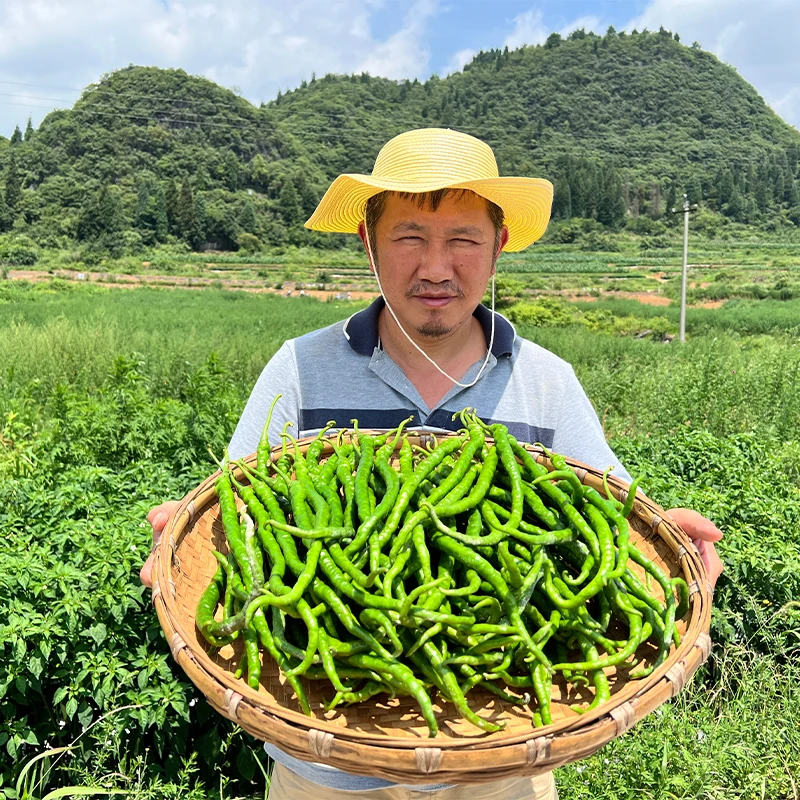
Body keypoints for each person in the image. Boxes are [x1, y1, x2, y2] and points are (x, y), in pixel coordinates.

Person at [141, 128, 723, 800]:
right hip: (324, 769)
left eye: (463, 240)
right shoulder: (299, 367)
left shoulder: (546, 380)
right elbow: (234, 516)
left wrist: (666, 544)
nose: (436, 268)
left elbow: (612, 524)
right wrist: (177, 539)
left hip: (504, 768)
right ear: (367, 242)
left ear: (499, 246)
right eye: (410, 237)